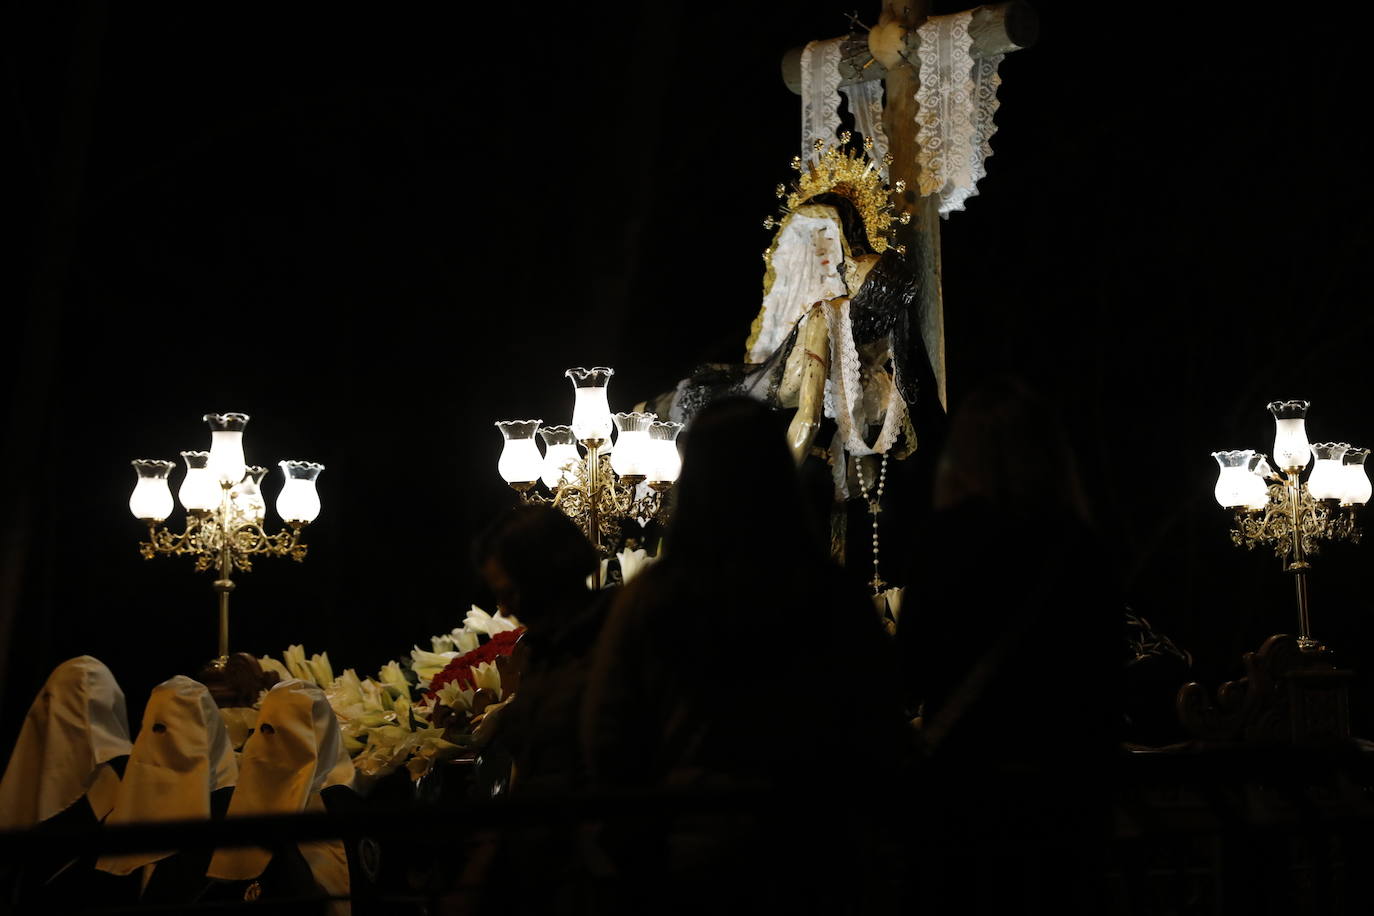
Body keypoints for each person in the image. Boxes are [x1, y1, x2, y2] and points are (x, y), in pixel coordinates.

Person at [582, 396, 907, 912]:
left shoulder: (652, 600)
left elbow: (610, 738)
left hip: (691, 853)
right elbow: (877, 724)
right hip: (809, 850)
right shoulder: (829, 596)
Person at [896, 375, 1119, 913]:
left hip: (965, 797)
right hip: (1062, 801)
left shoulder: (946, 542)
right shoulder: (1079, 547)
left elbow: (911, 670)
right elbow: (1106, 674)